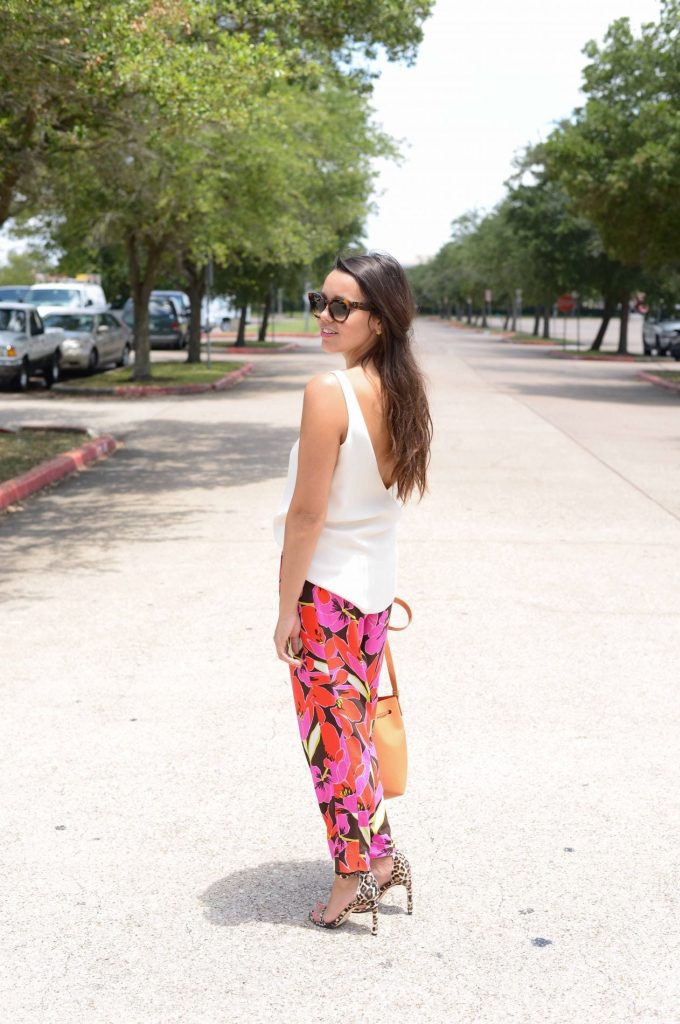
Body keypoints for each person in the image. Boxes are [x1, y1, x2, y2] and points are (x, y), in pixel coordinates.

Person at [273, 251, 432, 934]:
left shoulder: (327, 393)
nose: (324, 317)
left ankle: (352, 877)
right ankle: (383, 856)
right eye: (320, 300)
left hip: (328, 596)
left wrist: (286, 609)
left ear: (380, 319)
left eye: (342, 307)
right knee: (354, 736)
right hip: (370, 596)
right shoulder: (402, 392)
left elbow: (308, 515)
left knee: (329, 744)